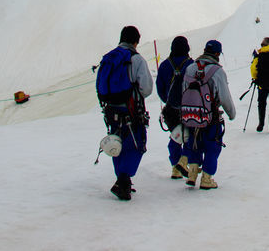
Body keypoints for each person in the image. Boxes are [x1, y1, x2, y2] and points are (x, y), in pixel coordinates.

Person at [98, 25, 154, 201]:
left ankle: (123, 179)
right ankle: (123, 181)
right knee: (136, 144)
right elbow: (146, 89)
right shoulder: (136, 59)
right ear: (136, 41)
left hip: (111, 109)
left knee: (118, 142)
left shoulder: (109, 58)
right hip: (131, 109)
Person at [182, 39, 237, 190]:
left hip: (191, 115)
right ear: (218, 53)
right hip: (211, 116)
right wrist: (231, 113)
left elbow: (184, 90)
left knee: (194, 142)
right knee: (213, 145)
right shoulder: (217, 71)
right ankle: (207, 178)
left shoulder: (190, 68)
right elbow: (224, 96)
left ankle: (192, 173)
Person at [155, 35, 193, 179]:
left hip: (171, 109)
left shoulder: (165, 65)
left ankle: (175, 167)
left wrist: (168, 101)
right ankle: (184, 161)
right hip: (189, 107)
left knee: (175, 136)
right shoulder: (191, 64)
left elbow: (160, 88)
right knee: (191, 136)